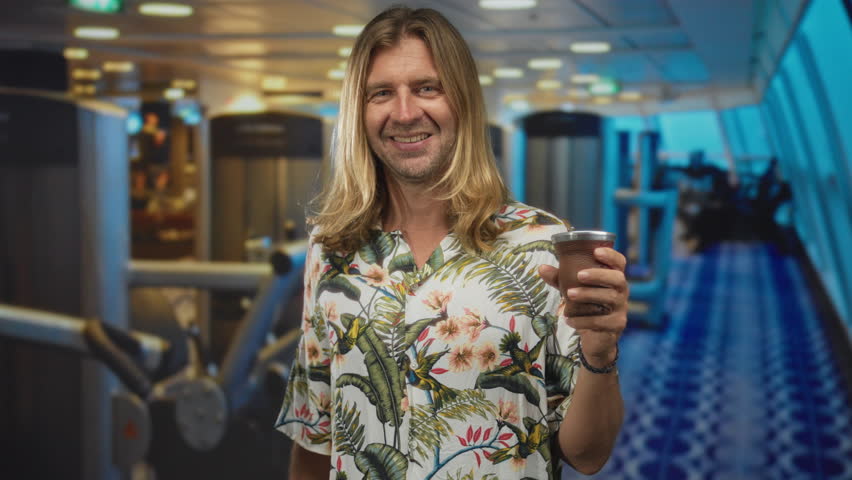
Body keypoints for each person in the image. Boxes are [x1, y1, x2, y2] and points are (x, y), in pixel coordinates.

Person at [275, 6, 627, 479]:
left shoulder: (540, 246)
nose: (404, 113)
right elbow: (316, 434)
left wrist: (600, 352)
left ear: (461, 99)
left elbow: (587, 454)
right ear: (359, 111)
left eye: (427, 88)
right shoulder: (332, 249)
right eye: (381, 93)